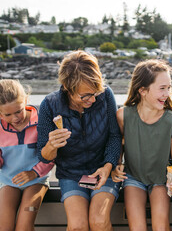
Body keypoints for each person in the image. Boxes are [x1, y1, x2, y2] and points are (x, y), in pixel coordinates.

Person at [37, 50, 122, 231]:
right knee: (77, 226)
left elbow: (115, 136)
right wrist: (51, 146)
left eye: (95, 92)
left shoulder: (105, 95)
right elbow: (43, 156)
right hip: (72, 174)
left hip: (103, 170)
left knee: (99, 221)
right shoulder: (49, 105)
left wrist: (108, 166)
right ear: (68, 88)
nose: (92, 99)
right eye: (85, 96)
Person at [0, 79, 54, 230]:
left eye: (18, 111)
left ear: (26, 100)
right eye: (7, 114)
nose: (15, 118)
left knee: (24, 226)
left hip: (37, 181)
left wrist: (34, 173)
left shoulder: (42, 121)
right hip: (9, 182)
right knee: (3, 228)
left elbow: (51, 156)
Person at [111, 59, 172, 230]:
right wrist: (116, 165)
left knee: (161, 228)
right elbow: (119, 147)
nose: (167, 93)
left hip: (160, 180)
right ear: (143, 90)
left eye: (168, 88)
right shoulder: (123, 115)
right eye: (161, 88)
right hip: (133, 178)